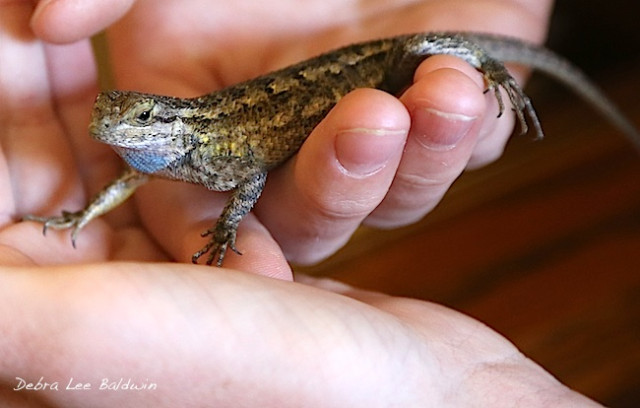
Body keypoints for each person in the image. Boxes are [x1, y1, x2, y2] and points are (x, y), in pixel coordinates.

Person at [0, 0, 603, 406]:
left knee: (425, 51)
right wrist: (80, 215)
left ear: (164, 121)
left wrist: (229, 223)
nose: (115, 130)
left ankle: (486, 64)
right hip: (322, 90)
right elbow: (131, 180)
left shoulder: (209, 144)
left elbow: (254, 176)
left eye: (133, 121)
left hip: (366, 65)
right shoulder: (167, 154)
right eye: (110, 120)